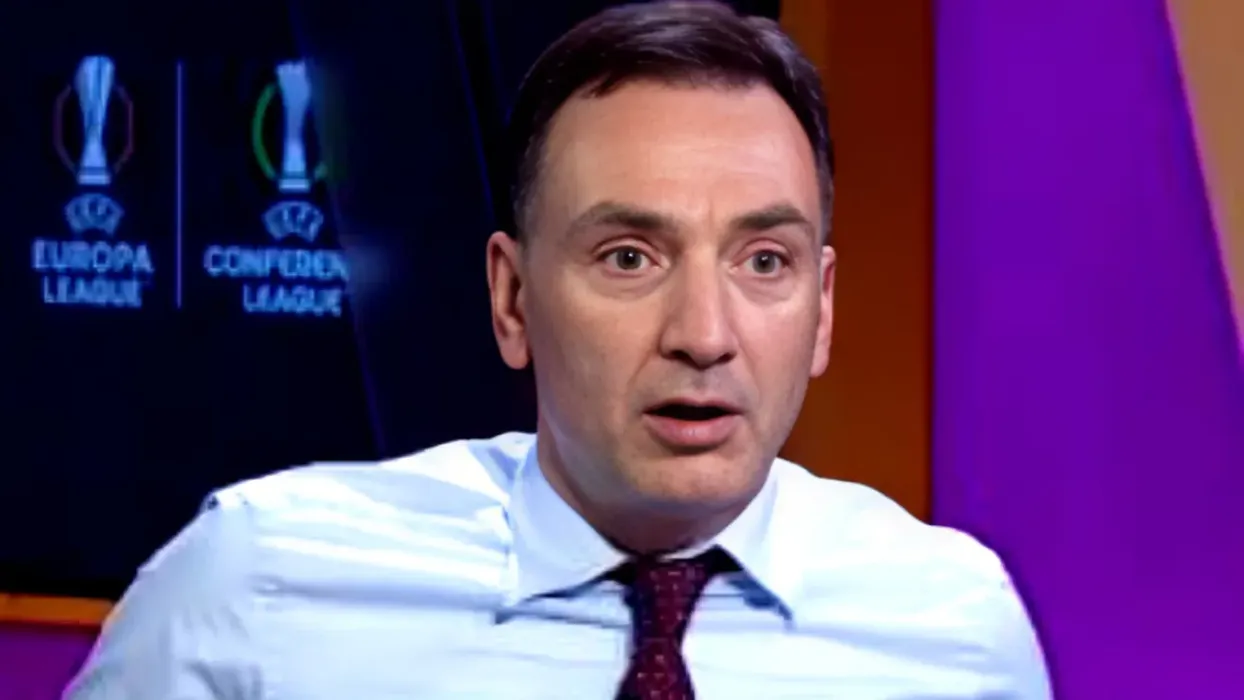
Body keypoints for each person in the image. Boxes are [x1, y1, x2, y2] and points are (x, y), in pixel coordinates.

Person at [64, 2, 1051, 698]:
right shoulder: (255, 587)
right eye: (628, 257)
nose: (704, 336)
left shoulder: (951, 628)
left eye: (763, 261)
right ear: (511, 298)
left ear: (821, 308)